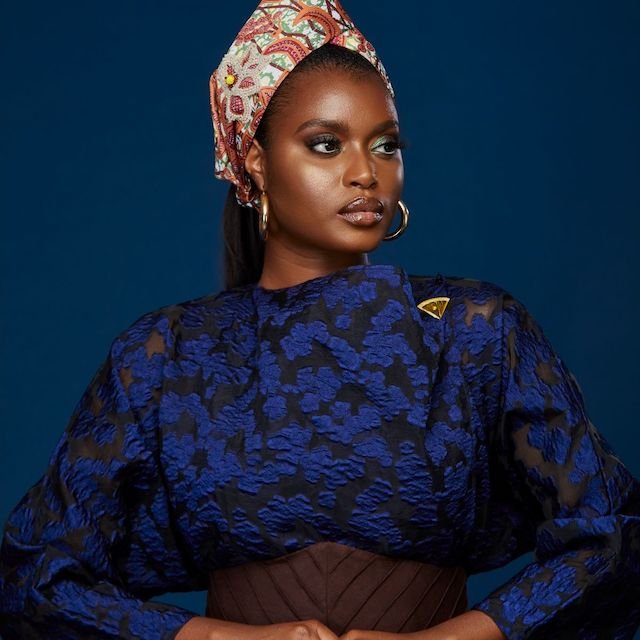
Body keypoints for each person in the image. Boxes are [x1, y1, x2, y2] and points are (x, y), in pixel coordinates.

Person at [1, 1, 639, 638]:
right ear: (256, 162)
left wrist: (447, 639)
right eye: (326, 145)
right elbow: (34, 578)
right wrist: (220, 638)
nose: (365, 173)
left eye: (385, 145)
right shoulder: (169, 354)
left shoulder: (473, 330)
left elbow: (616, 538)